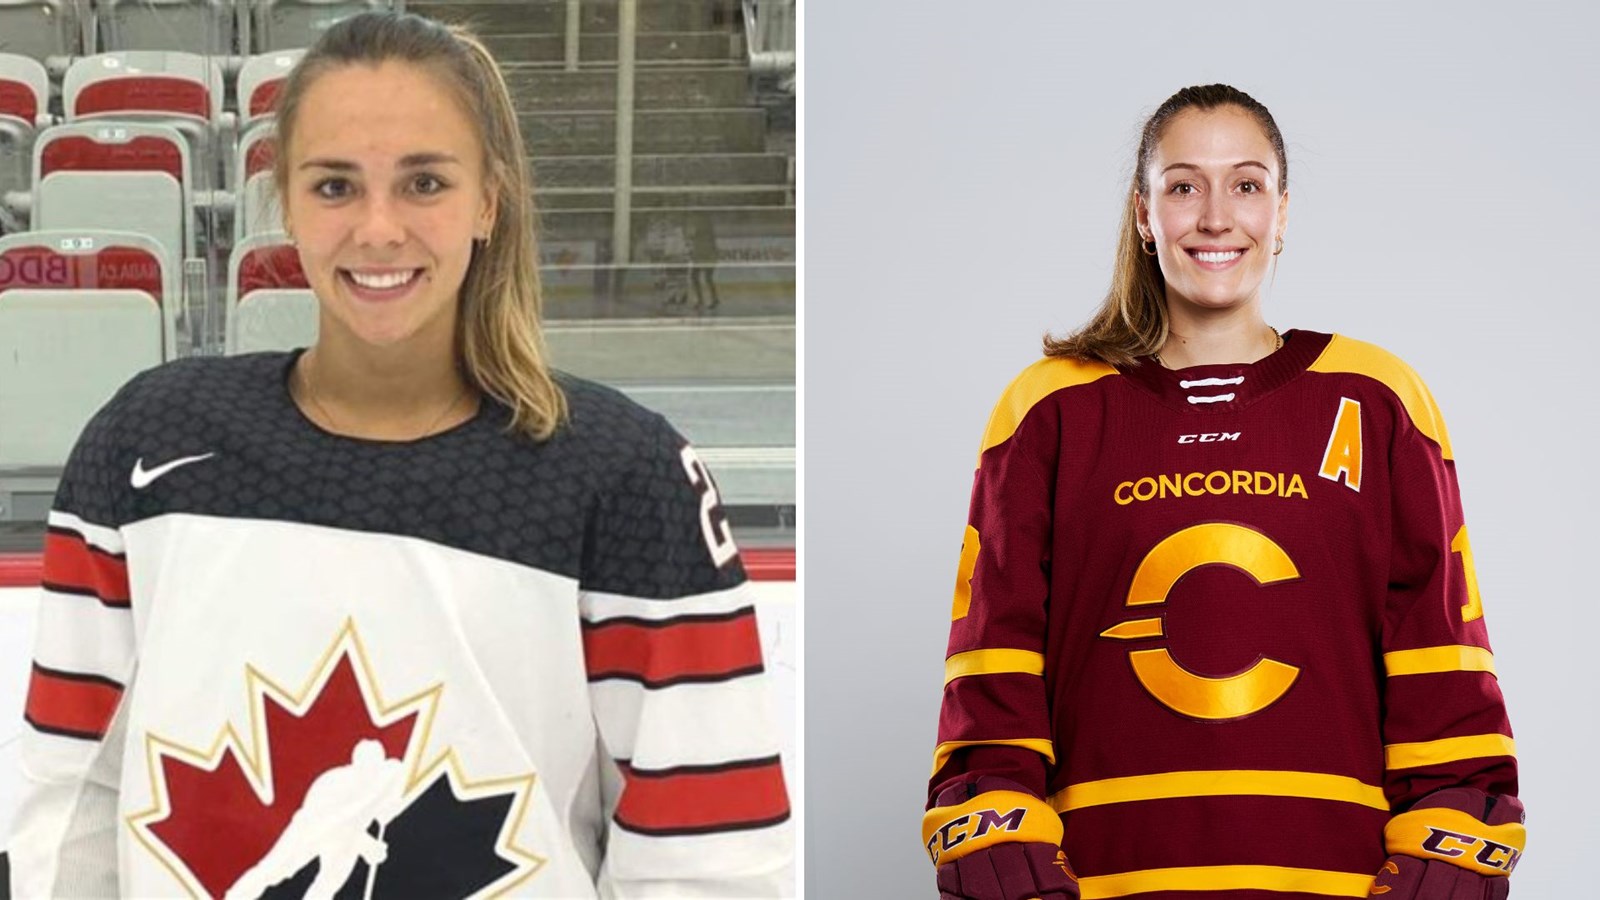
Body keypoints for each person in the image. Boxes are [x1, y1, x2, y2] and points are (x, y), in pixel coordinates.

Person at [7, 12, 791, 898]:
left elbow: (709, 862)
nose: (379, 229)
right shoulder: (148, 444)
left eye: (424, 182)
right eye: (335, 186)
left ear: (488, 200)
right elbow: (70, 803)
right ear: (285, 203)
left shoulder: (628, 478)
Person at [923, 85, 1521, 900]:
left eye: (1246, 184)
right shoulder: (1048, 407)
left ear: (1283, 213)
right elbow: (996, 665)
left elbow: (1440, 659)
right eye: (1182, 186)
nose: (1214, 217)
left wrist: (1455, 838)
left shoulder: (1378, 397)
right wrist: (993, 825)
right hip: (1105, 879)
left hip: (1337, 880)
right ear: (1143, 214)